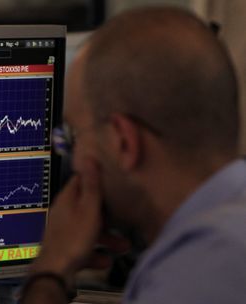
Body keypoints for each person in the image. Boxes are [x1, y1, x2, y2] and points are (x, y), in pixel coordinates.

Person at [21, 6, 246, 304]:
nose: (75, 161)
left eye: (75, 136)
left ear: (123, 142)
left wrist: (51, 269)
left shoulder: (201, 267)